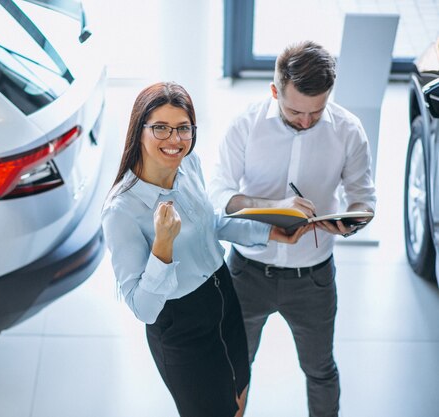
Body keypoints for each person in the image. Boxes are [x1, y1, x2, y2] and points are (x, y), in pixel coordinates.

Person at [101, 81, 309, 417]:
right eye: (161, 129)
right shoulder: (121, 211)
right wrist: (163, 245)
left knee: (239, 392)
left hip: (223, 296)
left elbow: (211, 224)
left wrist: (269, 231)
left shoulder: (190, 165)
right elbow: (144, 309)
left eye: (183, 128)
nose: (175, 140)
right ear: (138, 130)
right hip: (180, 324)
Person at [209, 41, 377, 417]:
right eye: (295, 111)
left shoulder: (349, 131)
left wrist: (350, 219)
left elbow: (363, 198)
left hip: (313, 280)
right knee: (233, 369)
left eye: (316, 112)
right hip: (246, 273)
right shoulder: (245, 125)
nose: (306, 121)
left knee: (320, 371)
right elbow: (218, 194)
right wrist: (273, 207)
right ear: (275, 91)